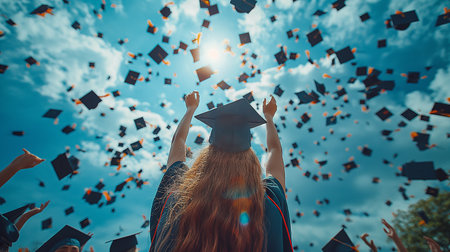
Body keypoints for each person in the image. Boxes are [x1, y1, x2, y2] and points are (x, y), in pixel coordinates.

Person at [149, 91, 292, 251]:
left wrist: (190, 110)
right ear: (251, 161)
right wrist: (269, 118)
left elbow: (178, 142)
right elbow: (274, 152)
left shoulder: (179, 201)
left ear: (207, 157)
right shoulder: (267, 204)